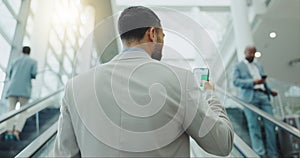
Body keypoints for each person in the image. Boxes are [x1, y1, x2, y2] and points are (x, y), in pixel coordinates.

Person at [54, 6, 233, 157]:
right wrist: (209, 94)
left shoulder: (75, 87)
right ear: (152, 34)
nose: (163, 43)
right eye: (163, 37)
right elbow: (222, 143)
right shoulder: (181, 80)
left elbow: (65, 154)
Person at [233, 46, 278, 158]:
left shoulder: (259, 66)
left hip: (263, 96)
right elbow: (235, 81)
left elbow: (264, 81)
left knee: (270, 125)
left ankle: (273, 154)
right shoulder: (238, 66)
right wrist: (253, 82)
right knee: (254, 126)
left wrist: (270, 91)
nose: (252, 54)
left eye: (254, 53)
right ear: (245, 53)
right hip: (249, 97)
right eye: (250, 52)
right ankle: (260, 153)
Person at [5, 46, 37, 141]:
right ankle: (16, 132)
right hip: (24, 90)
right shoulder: (33, 62)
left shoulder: (15, 61)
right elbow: (34, 74)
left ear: (21, 51)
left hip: (12, 89)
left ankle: (9, 132)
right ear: (29, 52)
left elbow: (10, 74)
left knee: (11, 110)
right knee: (23, 112)